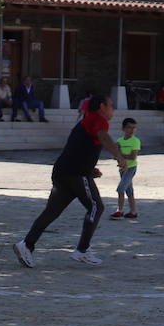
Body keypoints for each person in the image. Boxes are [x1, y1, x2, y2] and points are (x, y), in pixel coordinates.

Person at [12, 92, 125, 269]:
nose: (114, 109)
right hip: (75, 173)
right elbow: (103, 137)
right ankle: (82, 250)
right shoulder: (98, 119)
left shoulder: (88, 119)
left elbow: (79, 147)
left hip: (63, 171)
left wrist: (89, 169)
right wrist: (119, 156)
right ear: (102, 107)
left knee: (51, 212)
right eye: (111, 105)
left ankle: (26, 245)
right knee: (96, 206)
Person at [110, 117, 140, 220]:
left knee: (120, 189)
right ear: (123, 129)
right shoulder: (119, 141)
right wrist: (119, 157)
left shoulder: (135, 141)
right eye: (129, 128)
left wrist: (120, 155)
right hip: (122, 168)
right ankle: (133, 211)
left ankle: (120, 210)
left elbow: (133, 157)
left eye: (134, 128)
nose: (132, 130)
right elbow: (115, 155)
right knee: (129, 191)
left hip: (131, 168)